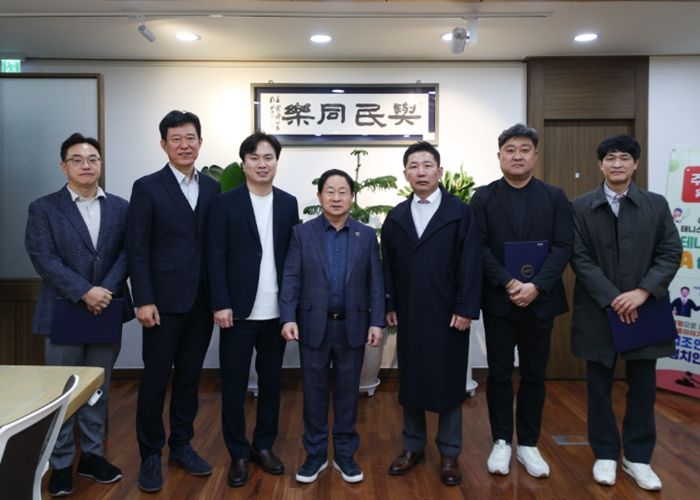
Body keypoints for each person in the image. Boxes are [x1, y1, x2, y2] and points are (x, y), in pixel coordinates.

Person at [570, 134, 681, 491]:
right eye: (610, 158)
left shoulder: (656, 205)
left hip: (645, 308)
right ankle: (605, 454)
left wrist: (642, 292)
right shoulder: (580, 207)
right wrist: (613, 297)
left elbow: (670, 252)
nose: (617, 164)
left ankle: (638, 458)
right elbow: (579, 258)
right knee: (598, 387)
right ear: (600, 164)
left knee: (643, 387)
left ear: (636, 164)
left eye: (624, 158)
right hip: (599, 310)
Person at [25, 132, 132, 497]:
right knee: (63, 390)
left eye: (92, 159)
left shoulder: (120, 207)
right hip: (63, 310)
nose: (86, 165)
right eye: (77, 159)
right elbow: (43, 257)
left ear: (100, 163)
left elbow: (127, 254)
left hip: (106, 309)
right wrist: (85, 291)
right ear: (64, 166)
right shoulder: (44, 208)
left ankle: (93, 456)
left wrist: (104, 292)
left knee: (98, 388)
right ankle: (60, 464)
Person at [470, 123, 573, 479]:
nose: (517, 156)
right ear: (499, 156)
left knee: (534, 374)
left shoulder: (555, 197)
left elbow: (563, 246)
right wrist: (510, 282)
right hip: (500, 300)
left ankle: (528, 443)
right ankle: (501, 440)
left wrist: (537, 286)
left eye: (524, 150)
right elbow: (478, 247)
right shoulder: (483, 198)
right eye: (510, 150)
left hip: (540, 302)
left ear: (536, 156)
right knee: (499, 373)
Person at [126, 110, 220, 492]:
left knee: (190, 377)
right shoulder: (147, 187)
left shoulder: (213, 188)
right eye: (176, 139)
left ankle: (181, 445)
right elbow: (137, 247)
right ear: (164, 144)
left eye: (190, 138)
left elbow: (213, 245)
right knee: (155, 378)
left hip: (201, 301)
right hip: (161, 303)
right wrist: (143, 298)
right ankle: (150, 452)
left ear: (200, 142)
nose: (184, 145)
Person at [382, 141, 482, 486]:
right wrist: (389, 303)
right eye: (414, 166)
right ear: (405, 173)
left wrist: (466, 307)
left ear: (439, 171)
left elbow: (471, 262)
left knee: (449, 380)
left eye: (427, 165)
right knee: (411, 378)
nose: (421, 172)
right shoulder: (396, 217)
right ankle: (413, 446)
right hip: (410, 312)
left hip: (449, 313)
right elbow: (387, 265)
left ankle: (450, 451)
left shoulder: (460, 212)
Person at [280, 169, 384, 484]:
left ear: (352, 197)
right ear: (320, 196)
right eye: (330, 191)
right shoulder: (302, 233)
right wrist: (288, 316)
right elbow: (291, 277)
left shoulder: (366, 235)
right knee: (313, 394)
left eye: (342, 191)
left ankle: (344, 454)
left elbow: (376, 283)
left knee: (347, 394)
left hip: (352, 326)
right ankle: (315, 455)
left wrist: (376, 322)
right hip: (313, 326)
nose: (336, 197)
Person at [207, 132, 299, 487]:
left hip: (276, 313)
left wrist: (291, 309)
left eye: (268, 157)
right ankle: (238, 452)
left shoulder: (288, 203)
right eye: (255, 158)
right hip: (237, 313)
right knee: (233, 385)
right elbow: (215, 256)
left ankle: (263, 445)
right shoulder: (224, 203)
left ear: (277, 162)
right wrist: (220, 303)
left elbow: (293, 259)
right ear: (243, 163)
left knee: (272, 383)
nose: (262, 164)